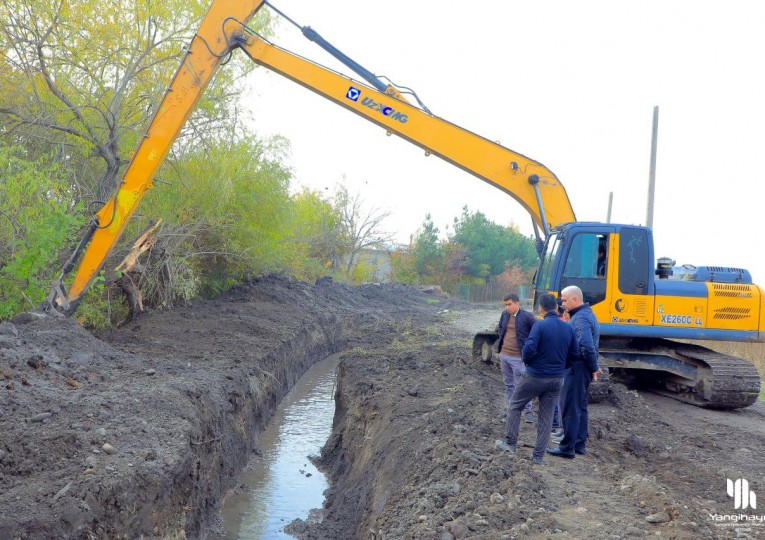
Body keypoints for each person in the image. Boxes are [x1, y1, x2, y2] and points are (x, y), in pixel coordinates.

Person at [495, 293, 579, 465]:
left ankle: (510, 443)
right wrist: (561, 368)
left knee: (515, 406)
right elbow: (575, 355)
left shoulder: (540, 326)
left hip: (535, 375)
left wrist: (531, 363)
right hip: (556, 379)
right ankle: (538, 456)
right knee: (546, 417)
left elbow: (527, 350)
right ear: (556, 307)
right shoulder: (568, 328)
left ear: (540, 309)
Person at [547, 285, 603, 459]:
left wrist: (594, 367)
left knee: (570, 407)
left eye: (564, 300)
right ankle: (578, 444)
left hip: (577, 368)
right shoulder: (586, 314)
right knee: (580, 407)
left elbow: (586, 345)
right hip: (583, 367)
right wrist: (592, 366)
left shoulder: (580, 319)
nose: (562, 304)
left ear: (575, 299)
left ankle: (567, 448)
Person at [496, 293, 537, 423]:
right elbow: (501, 329)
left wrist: (530, 351)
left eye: (509, 304)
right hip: (504, 356)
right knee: (508, 384)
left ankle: (528, 411)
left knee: (522, 385)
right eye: (505, 305)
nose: (507, 307)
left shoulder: (527, 316)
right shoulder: (504, 314)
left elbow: (537, 332)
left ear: (517, 303)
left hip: (519, 358)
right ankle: (511, 408)